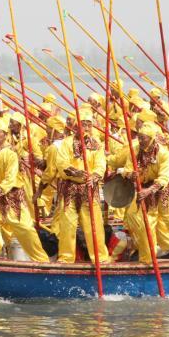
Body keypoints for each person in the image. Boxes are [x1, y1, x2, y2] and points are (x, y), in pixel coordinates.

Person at [121, 121, 169, 263]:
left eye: (144, 138)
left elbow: (163, 178)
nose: (141, 140)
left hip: (161, 192)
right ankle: (147, 258)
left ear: (151, 138)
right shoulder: (134, 150)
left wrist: (149, 190)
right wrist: (130, 174)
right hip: (144, 190)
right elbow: (127, 168)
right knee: (144, 225)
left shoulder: (163, 153)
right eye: (140, 137)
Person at [0, 118, 49, 261]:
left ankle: (42, 262)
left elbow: (10, 180)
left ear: (4, 134)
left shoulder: (11, 153)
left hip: (12, 197)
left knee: (27, 230)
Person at [54, 108, 110, 264]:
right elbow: (61, 163)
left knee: (93, 224)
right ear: (76, 126)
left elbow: (101, 165)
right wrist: (76, 172)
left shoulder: (96, 145)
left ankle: (100, 257)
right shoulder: (66, 143)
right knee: (67, 224)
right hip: (70, 187)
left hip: (89, 188)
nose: (85, 128)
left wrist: (94, 176)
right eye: (82, 124)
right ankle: (66, 257)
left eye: (88, 125)